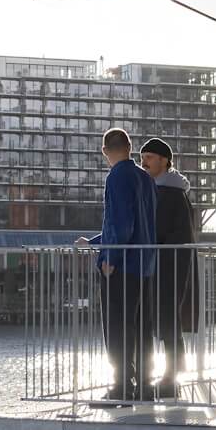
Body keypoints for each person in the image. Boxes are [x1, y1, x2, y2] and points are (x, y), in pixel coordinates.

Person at [79, 127, 158, 404]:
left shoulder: (117, 176)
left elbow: (121, 223)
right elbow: (141, 224)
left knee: (117, 326)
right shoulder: (145, 178)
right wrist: (94, 241)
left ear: (105, 151)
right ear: (129, 146)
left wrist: (109, 258)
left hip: (122, 266)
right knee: (141, 327)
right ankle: (146, 387)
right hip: (145, 265)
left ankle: (122, 386)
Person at [138, 138, 196, 399]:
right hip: (166, 263)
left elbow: (159, 230)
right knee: (163, 319)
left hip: (168, 265)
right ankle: (167, 376)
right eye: (143, 156)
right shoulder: (165, 189)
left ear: (164, 161)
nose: (144, 161)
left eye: (149, 156)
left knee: (166, 319)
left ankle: (170, 377)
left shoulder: (169, 192)